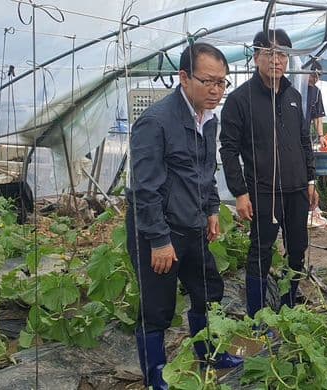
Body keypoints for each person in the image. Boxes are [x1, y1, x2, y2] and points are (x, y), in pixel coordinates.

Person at [126, 42, 242, 389]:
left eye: (222, 82)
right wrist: (159, 241)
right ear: (184, 77)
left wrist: (210, 211)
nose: (216, 90)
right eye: (208, 81)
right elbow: (144, 189)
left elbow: (205, 171)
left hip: (192, 224)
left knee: (209, 291)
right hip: (159, 230)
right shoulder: (156, 122)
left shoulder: (208, 120)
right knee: (157, 309)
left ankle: (208, 352)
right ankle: (156, 377)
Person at [220, 29, 319, 318]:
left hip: (297, 188)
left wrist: (310, 179)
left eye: (284, 55)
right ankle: (256, 315)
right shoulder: (240, 99)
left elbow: (304, 140)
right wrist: (240, 192)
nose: (277, 61)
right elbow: (228, 149)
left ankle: (288, 303)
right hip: (263, 190)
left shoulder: (292, 94)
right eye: (270, 54)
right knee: (261, 251)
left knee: (298, 248)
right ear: (256, 57)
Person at [306, 61, 327, 149]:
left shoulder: (317, 92)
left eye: (318, 77)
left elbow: (318, 117)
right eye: (313, 76)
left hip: (306, 134)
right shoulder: (296, 87)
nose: (315, 79)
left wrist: (321, 136)